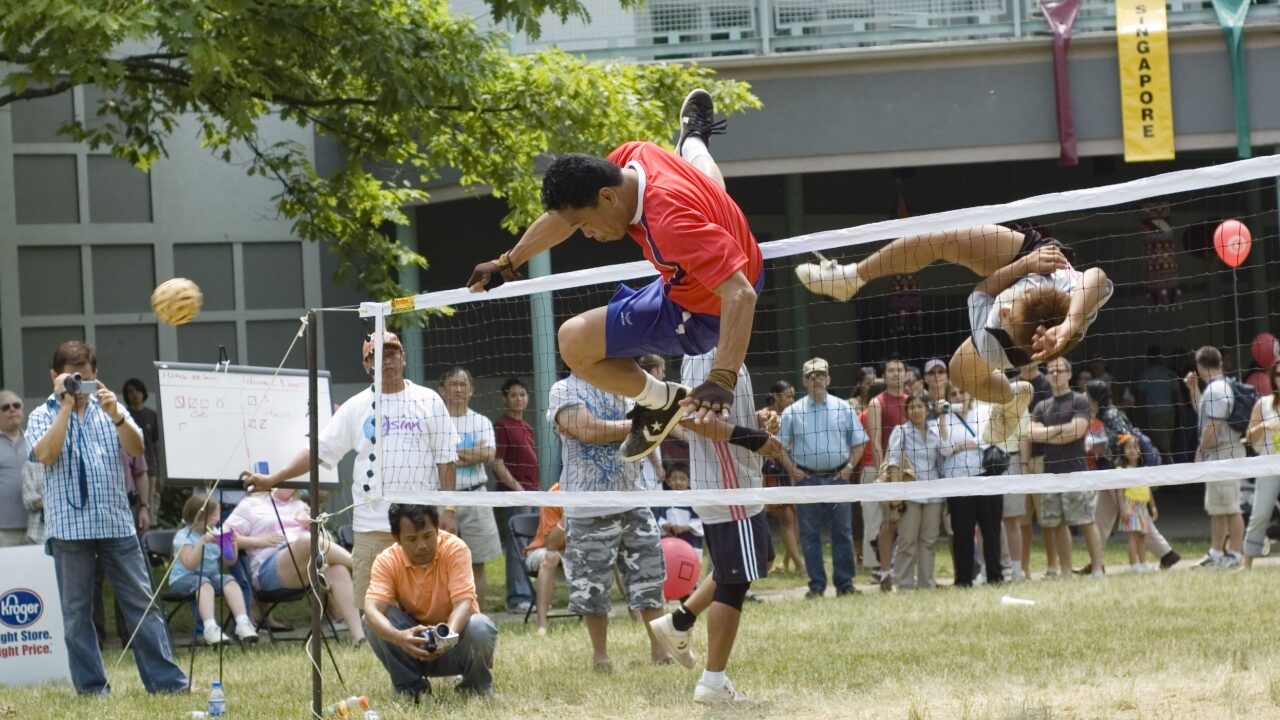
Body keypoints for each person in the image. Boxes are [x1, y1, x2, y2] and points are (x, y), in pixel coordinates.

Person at [467, 89, 764, 461]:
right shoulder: (632, 157)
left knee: (573, 341)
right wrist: (508, 262)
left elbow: (741, 295)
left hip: (709, 308)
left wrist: (723, 377)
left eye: (585, 225)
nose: (588, 234)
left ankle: (662, 401)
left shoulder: (671, 225)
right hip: (721, 249)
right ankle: (692, 143)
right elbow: (563, 218)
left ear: (607, 198)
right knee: (708, 184)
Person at [798, 225, 1113, 445]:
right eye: (1011, 310)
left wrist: (1021, 270)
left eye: (1005, 319)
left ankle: (1007, 398)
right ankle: (849, 279)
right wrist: (1070, 323)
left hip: (1019, 272)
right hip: (1036, 260)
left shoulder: (992, 338)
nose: (1003, 312)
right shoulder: (1075, 299)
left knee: (960, 372)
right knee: (940, 238)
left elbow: (985, 289)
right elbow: (1098, 278)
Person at [242, 332, 459, 610]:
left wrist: (450, 509)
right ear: (367, 365)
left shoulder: (428, 400)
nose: (386, 361)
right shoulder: (355, 407)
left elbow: (446, 459)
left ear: (403, 357)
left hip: (422, 524)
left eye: (392, 353)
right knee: (375, 607)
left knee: (429, 605)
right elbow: (318, 452)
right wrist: (274, 478)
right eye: (376, 356)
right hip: (372, 524)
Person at [26, 340, 188, 694]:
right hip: (70, 529)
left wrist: (116, 413)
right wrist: (65, 408)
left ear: (95, 375)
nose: (77, 385)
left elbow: (137, 448)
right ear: (54, 377)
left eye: (83, 378)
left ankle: (167, 684)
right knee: (76, 616)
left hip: (116, 523)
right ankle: (92, 689)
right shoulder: (41, 415)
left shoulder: (109, 408)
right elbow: (46, 455)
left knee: (142, 605)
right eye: (70, 378)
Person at [648, 349, 782, 705]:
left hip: (739, 482)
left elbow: (719, 416)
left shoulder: (727, 349)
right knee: (735, 580)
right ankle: (712, 682)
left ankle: (679, 620)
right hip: (728, 486)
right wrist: (757, 441)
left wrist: (756, 420)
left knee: (761, 558)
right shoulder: (707, 355)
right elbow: (692, 421)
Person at [363, 504, 497, 699]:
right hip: (412, 646)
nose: (422, 545)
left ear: (437, 529)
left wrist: (446, 638)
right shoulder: (387, 560)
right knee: (372, 620)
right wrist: (399, 637)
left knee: (481, 626)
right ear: (397, 539)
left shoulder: (455, 548)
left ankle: (476, 690)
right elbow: (371, 609)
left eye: (427, 535)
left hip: (455, 643)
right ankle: (411, 691)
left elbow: (463, 603)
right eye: (411, 539)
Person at [225, 488, 365, 644]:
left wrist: (313, 525)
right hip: (269, 568)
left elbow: (328, 542)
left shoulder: (300, 505)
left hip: (306, 567)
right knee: (306, 541)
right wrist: (258, 541)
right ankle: (362, 567)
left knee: (338, 569)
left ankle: (359, 638)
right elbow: (225, 535)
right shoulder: (251, 504)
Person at [778, 358, 868, 598]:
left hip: (839, 477)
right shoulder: (791, 412)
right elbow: (779, 448)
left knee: (843, 533)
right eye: (811, 376)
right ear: (804, 381)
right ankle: (816, 584)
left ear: (828, 379)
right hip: (806, 479)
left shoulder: (844, 408)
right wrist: (792, 469)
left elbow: (860, 443)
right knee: (809, 535)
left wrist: (849, 467)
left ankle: (845, 584)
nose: (816, 380)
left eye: (820, 375)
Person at [1028, 357, 1105, 579]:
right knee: (1057, 524)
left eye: (1060, 370)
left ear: (1069, 374)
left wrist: (1049, 432)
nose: (1055, 374)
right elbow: (1032, 433)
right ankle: (1065, 572)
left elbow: (1078, 430)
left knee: (1085, 520)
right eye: (1051, 370)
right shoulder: (1042, 405)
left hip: (1076, 471)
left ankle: (1098, 569)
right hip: (1051, 473)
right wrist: (1062, 432)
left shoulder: (1079, 401)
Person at [439, 367, 504, 608]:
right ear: (442, 390)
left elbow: (488, 454)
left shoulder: (481, 421)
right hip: (443, 499)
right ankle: (447, 616)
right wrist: (470, 453)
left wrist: (451, 453)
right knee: (441, 562)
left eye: (463, 384)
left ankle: (477, 615)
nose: (458, 389)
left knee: (477, 562)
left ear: (471, 390)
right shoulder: (436, 421)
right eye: (453, 384)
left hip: (476, 496)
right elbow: (434, 457)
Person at [1187, 346, 1247, 568]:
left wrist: (1201, 450)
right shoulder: (1217, 388)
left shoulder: (1217, 390)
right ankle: (1216, 553)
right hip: (1220, 452)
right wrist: (1193, 389)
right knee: (1216, 507)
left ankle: (1235, 555)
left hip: (1224, 452)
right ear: (1220, 363)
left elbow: (1213, 426)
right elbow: (1204, 415)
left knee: (1231, 507)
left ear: (1200, 365)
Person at [170, 494, 257, 644]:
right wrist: (202, 542)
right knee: (203, 583)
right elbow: (189, 564)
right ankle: (210, 628)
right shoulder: (183, 536)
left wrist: (232, 544)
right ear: (200, 518)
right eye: (214, 515)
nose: (217, 519)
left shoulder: (216, 532)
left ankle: (242, 622)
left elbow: (229, 561)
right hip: (183, 579)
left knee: (230, 580)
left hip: (210, 577)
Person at [939, 386, 1002, 587]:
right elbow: (944, 448)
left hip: (986, 478)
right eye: (953, 394)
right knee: (962, 532)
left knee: (991, 530)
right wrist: (941, 417)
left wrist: (961, 446)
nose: (958, 396)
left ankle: (995, 576)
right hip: (958, 482)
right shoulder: (945, 417)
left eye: (961, 392)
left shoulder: (984, 411)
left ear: (970, 393)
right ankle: (963, 579)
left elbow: (988, 439)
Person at [884, 391, 945, 590]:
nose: (916, 410)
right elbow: (893, 463)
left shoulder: (937, 431)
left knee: (928, 541)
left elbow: (944, 458)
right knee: (907, 541)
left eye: (920, 406)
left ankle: (927, 584)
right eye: (912, 407)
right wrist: (896, 498)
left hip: (934, 493)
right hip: (910, 494)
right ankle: (903, 584)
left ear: (928, 410)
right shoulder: (900, 431)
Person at [492, 376, 538, 613]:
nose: (518, 399)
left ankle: (532, 595)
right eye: (513, 395)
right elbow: (497, 463)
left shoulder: (527, 427)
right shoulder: (502, 425)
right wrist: (518, 490)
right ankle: (517, 597)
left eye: (522, 394)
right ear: (505, 398)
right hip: (515, 496)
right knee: (517, 547)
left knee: (533, 546)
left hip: (534, 494)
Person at [867, 358, 909, 583]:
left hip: (912, 472)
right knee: (890, 522)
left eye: (900, 370)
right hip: (890, 471)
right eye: (891, 371)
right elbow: (874, 440)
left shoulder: (912, 401)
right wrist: (881, 472)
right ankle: (884, 572)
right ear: (884, 376)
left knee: (909, 524)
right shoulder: (877, 402)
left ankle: (904, 571)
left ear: (906, 374)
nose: (896, 374)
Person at [761, 379, 803, 575]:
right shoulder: (765, 415)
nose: (792, 400)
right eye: (788, 396)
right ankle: (800, 566)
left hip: (791, 467)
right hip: (771, 469)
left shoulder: (795, 414)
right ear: (776, 397)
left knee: (794, 517)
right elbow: (771, 448)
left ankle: (787, 562)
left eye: (794, 396)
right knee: (785, 517)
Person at [1243, 360, 1280, 570]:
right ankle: (1247, 563)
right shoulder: (1264, 403)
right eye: (1278, 374)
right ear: (1273, 377)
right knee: (1260, 513)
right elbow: (1248, 436)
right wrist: (1265, 426)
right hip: (1268, 464)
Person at [522, 484, 566, 635]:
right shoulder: (555, 493)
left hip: (579, 551)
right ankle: (541, 624)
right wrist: (568, 515)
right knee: (551, 558)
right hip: (545, 548)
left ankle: (637, 615)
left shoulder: (598, 490)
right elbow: (551, 544)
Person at [1114, 435, 1158, 573]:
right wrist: (1123, 510)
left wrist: (1153, 506)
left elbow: (1148, 489)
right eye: (1128, 447)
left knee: (1142, 536)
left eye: (1135, 447)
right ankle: (1134, 565)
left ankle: (1143, 563)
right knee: (1132, 537)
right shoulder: (1121, 471)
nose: (1132, 450)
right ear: (1123, 451)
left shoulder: (1144, 470)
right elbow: (1120, 492)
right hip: (1130, 506)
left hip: (1142, 507)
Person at [121, 378, 161, 526]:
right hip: (128, 469)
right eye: (130, 392)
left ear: (143, 392)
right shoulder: (124, 415)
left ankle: (146, 538)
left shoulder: (152, 415)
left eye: (137, 390)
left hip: (149, 468)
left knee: (147, 508)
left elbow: (157, 444)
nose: (134, 395)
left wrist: (160, 473)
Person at [1134, 346, 1179, 460]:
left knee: (1163, 446)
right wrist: (1181, 414)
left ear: (1149, 359)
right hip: (1171, 413)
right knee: (1169, 443)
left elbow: (1140, 398)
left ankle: (1170, 467)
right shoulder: (1170, 373)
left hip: (1155, 414)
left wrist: (1139, 415)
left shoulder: (1145, 375)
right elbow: (1178, 395)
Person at [0, 389, 31, 547]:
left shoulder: (34, 440)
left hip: (35, 527)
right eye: (5, 407)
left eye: (16, 405)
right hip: (2, 530)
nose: (12, 409)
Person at [656, 462, 703, 550]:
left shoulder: (693, 499)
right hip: (671, 545)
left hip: (692, 544)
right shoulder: (665, 499)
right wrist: (665, 525)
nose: (678, 482)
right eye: (674, 479)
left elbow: (699, 521)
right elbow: (661, 520)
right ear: (668, 482)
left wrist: (684, 528)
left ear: (689, 482)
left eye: (682, 479)